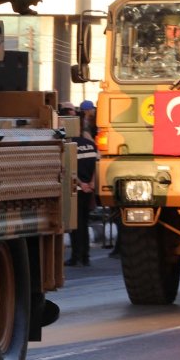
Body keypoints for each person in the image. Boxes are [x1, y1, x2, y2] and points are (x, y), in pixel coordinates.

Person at [69, 101, 98, 267]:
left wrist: (81, 183)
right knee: (85, 223)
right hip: (89, 189)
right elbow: (96, 165)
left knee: (75, 225)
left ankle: (75, 256)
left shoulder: (71, 145)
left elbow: (70, 168)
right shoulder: (91, 145)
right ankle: (85, 256)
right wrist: (91, 183)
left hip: (77, 188)